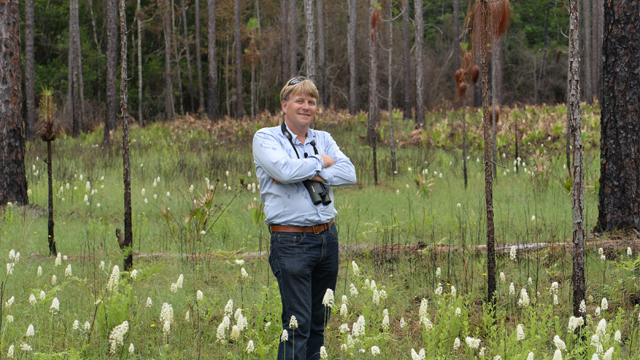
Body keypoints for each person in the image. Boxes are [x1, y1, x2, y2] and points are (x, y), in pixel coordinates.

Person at [253, 76, 356, 360]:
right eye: (299, 100)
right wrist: (321, 161)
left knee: (319, 323)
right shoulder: (266, 137)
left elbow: (350, 173)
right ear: (285, 105)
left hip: (327, 239)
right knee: (297, 324)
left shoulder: (323, 138)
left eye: (311, 102)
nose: (306, 106)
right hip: (291, 240)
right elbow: (283, 171)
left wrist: (303, 169)